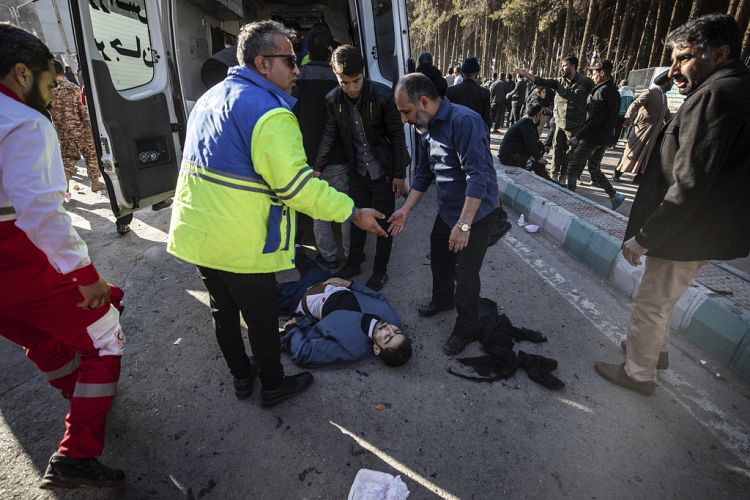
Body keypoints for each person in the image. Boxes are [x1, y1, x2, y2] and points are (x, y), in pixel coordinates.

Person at [166, 21, 388, 407]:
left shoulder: (210, 98)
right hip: (240, 240)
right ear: (262, 63)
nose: (297, 68)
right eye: (289, 59)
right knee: (262, 318)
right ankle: (272, 385)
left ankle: (241, 378)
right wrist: (351, 211)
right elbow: (296, 187)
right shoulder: (270, 113)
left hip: (197, 232)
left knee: (223, 312)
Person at [595, 14, 750, 395]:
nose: (674, 68)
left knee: (651, 302)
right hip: (703, 226)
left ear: (720, 53)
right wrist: (676, 79)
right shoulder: (734, 87)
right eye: (672, 59)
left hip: (686, 230)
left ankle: (638, 373)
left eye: (683, 58)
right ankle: (654, 352)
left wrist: (645, 237)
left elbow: (690, 182)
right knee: (661, 299)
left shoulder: (717, 96)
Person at [0, 24, 126, 489]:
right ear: (21, 73)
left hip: (7, 292)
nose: (53, 98)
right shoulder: (24, 122)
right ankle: (77, 453)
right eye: (50, 85)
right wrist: (87, 276)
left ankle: (83, 398)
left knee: (42, 342)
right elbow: (40, 212)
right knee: (106, 334)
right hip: (24, 267)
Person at [389, 73, 499, 356]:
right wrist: (405, 210)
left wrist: (463, 226)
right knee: (439, 256)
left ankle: (467, 327)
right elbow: (425, 173)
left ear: (423, 102)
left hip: (475, 215)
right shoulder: (425, 127)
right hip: (449, 210)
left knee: (465, 274)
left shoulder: (465, 122)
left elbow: (478, 177)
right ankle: (442, 300)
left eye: (406, 112)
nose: (404, 120)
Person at [316, 45, 408, 291]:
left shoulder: (382, 95)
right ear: (336, 77)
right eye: (345, 82)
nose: (352, 88)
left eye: (356, 81)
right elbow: (329, 133)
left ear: (363, 74)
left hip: (384, 172)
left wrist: (399, 173)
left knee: (385, 222)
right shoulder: (332, 99)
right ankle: (354, 262)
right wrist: (318, 167)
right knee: (355, 218)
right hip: (357, 172)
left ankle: (380, 270)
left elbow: (397, 136)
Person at [277, 251, 411, 367]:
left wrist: (292, 330)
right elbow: (378, 297)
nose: (389, 328)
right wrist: (350, 284)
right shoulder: (392, 317)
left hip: (301, 298)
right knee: (306, 263)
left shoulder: (352, 349)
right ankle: (294, 247)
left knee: (265, 293)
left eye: (387, 337)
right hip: (328, 282)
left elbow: (305, 352)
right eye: (396, 330)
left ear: (376, 349)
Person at [293, 28, 349, 269]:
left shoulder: (297, 79)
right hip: (339, 155)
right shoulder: (339, 79)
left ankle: (327, 255)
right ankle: (350, 252)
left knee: (318, 208)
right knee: (345, 205)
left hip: (308, 157)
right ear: (330, 51)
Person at [558, 59, 625, 210]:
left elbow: (593, 120)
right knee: (594, 168)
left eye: (594, 73)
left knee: (572, 167)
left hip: (593, 137)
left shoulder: (600, 92)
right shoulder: (614, 91)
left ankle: (568, 201)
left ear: (602, 73)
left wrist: (578, 136)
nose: (592, 76)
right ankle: (615, 196)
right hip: (605, 137)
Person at [516, 56, 594, 184]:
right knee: (557, 150)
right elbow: (541, 81)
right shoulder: (558, 82)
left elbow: (597, 96)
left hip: (575, 126)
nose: (561, 68)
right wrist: (526, 74)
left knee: (570, 154)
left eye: (564, 65)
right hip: (559, 123)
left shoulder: (585, 82)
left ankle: (563, 176)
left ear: (573, 66)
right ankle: (554, 175)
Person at [49, 60, 106, 195]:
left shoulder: (48, 91)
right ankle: (95, 183)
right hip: (80, 128)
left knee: (67, 158)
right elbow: (83, 111)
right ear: (62, 71)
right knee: (90, 154)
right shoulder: (73, 88)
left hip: (62, 131)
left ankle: (65, 185)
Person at [613, 72, 672, 183]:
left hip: (654, 132)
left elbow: (666, 113)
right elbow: (635, 104)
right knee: (632, 152)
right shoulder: (650, 92)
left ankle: (638, 177)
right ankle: (617, 172)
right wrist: (628, 117)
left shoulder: (663, 96)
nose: (672, 85)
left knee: (646, 154)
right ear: (666, 82)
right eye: (671, 82)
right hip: (641, 129)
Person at [498, 103, 550, 180]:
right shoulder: (526, 123)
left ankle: (546, 179)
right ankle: (548, 182)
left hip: (514, 153)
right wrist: (538, 158)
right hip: (508, 156)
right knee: (537, 164)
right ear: (538, 114)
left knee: (537, 158)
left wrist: (543, 147)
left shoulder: (529, 122)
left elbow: (534, 141)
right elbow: (530, 142)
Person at [445, 56, 491, 128]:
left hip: (455, 132)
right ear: (476, 74)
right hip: (476, 133)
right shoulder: (484, 93)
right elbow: (486, 119)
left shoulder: (450, 91)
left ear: (462, 73)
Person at [612, 79, 635, 145]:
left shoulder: (619, 92)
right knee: (618, 129)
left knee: (612, 128)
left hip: (617, 113)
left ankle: (609, 142)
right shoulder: (631, 93)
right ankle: (614, 142)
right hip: (625, 114)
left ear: (621, 84)